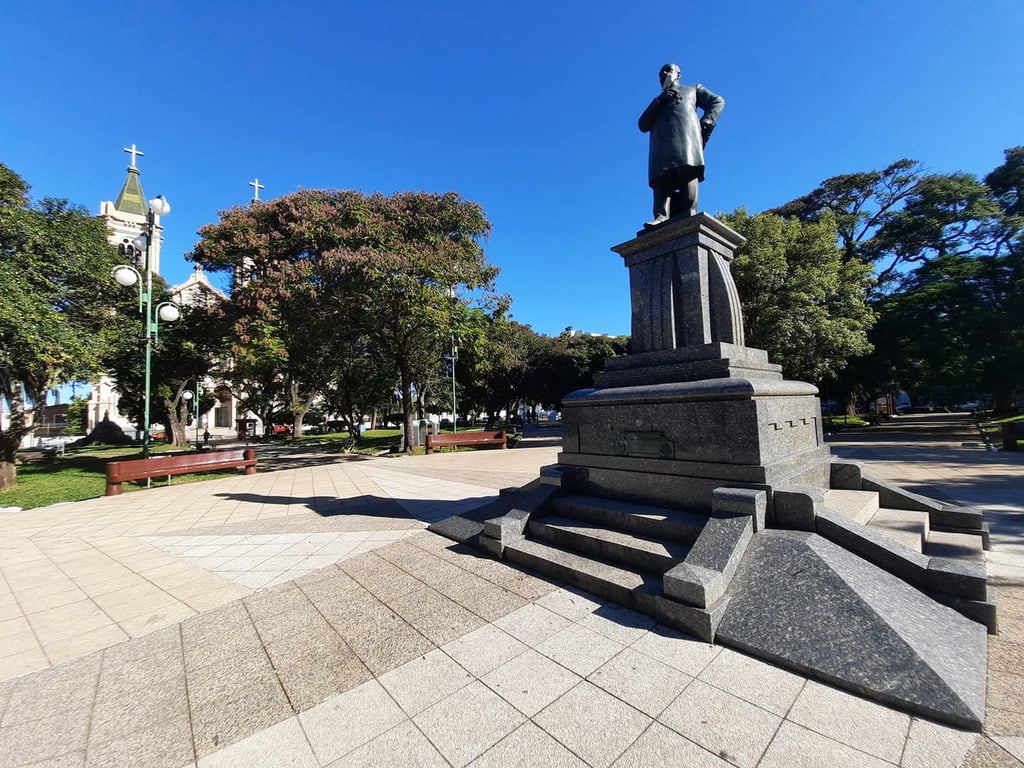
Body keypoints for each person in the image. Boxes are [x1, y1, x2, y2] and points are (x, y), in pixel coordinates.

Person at [638, 63, 724, 226]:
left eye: (669, 70)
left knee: (688, 171)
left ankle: (689, 214)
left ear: (678, 75)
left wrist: (706, 121)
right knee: (662, 181)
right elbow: (643, 124)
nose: (665, 74)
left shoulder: (692, 89)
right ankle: (661, 216)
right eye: (661, 73)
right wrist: (659, 100)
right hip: (661, 148)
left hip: (686, 140)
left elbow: (717, 101)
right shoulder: (657, 103)